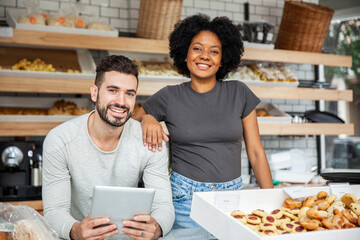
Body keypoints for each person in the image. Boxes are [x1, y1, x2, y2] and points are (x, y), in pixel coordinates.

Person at [132, 14, 273, 231]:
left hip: (233, 198)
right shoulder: (168, 97)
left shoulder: (239, 92)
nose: (205, 56)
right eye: (197, 48)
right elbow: (132, 120)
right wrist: (148, 118)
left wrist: (271, 201)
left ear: (222, 60)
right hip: (185, 199)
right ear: (185, 55)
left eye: (214, 51)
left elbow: (256, 153)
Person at [42, 55, 174, 240]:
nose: (121, 101)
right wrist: (75, 231)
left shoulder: (150, 140)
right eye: (113, 90)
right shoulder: (60, 140)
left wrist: (157, 227)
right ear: (94, 92)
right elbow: (54, 210)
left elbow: (164, 206)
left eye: (130, 93)